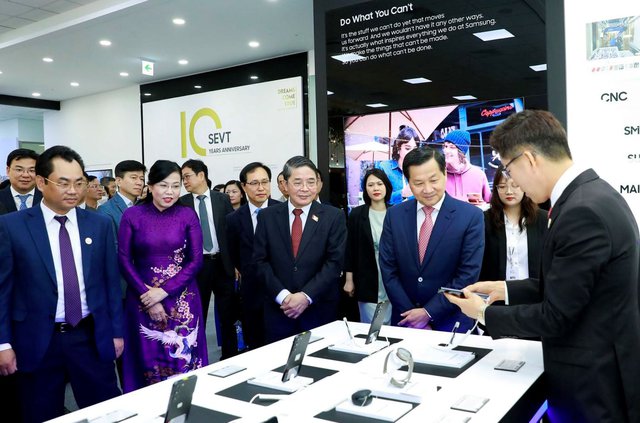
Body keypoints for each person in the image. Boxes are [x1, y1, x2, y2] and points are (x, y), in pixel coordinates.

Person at [445, 110, 640, 422]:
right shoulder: (592, 194)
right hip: (599, 371)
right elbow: (571, 288)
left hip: (594, 385)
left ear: (529, 159)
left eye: (509, 168)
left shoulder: (582, 211)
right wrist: (505, 289)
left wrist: (483, 314)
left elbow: (556, 315)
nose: (512, 181)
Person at [0, 146, 123, 422]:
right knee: (40, 412)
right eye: (64, 183)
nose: (73, 190)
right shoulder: (11, 226)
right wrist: (2, 343)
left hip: (89, 336)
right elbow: (2, 290)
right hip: (38, 340)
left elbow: (110, 284)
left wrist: (116, 331)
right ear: (41, 182)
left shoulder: (99, 224)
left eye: (79, 183)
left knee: (107, 411)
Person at [118, 160, 207, 392]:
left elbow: (196, 260)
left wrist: (163, 291)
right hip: (142, 299)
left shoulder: (187, 215)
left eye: (176, 186)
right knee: (147, 359)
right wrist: (147, 295)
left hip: (182, 298)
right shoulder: (132, 215)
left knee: (184, 356)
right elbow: (124, 259)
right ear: (150, 186)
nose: (170, 192)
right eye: (163, 185)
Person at [379, 147, 484, 332]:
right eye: (418, 183)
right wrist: (412, 315)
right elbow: (389, 269)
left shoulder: (470, 216)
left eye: (433, 180)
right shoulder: (394, 215)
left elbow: (467, 274)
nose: (427, 189)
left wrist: (428, 312)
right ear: (408, 182)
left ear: (444, 173)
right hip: (405, 321)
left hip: (452, 322)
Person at [254, 156, 346, 342]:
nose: (305, 188)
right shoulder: (267, 216)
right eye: (297, 182)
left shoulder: (333, 216)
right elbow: (259, 261)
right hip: (279, 309)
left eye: (311, 182)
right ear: (285, 185)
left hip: (319, 309)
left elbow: (334, 263)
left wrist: (306, 296)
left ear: (318, 184)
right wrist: (284, 296)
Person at [180, 159, 237, 359]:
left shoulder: (221, 199)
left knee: (227, 314)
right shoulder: (182, 203)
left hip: (223, 263)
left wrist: (235, 263)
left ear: (201, 175)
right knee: (198, 314)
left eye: (187, 176)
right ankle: (197, 358)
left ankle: (230, 356)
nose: (184, 181)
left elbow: (231, 232)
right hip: (197, 266)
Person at [226, 162, 280, 350]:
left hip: (281, 289)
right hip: (251, 290)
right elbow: (234, 254)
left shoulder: (283, 211)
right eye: (255, 183)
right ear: (244, 187)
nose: (261, 188)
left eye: (265, 182)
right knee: (256, 342)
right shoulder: (233, 219)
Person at [343, 168, 393, 324]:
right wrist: (349, 280)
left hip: (392, 276)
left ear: (387, 186)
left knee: (392, 325)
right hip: (366, 277)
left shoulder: (396, 213)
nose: (376, 188)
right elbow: (350, 249)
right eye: (371, 185)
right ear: (365, 189)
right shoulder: (357, 214)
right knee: (370, 325)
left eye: (379, 183)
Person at [480, 166, 547, 282]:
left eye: (515, 185)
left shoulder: (543, 219)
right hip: (497, 294)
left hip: (534, 294)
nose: (509, 191)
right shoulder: (485, 220)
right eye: (502, 186)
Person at [98, 160, 146, 245]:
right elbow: (112, 248)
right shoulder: (106, 210)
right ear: (118, 181)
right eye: (134, 178)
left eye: (142, 179)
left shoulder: (144, 206)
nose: (139, 183)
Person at [440, 130, 491, 204]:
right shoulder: (440, 174)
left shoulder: (478, 175)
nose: (446, 151)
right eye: (445, 146)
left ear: (461, 151)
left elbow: (489, 202)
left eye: (452, 147)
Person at [375, 126, 419, 204]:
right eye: (407, 148)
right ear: (398, 148)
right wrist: (402, 194)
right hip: (390, 214)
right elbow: (378, 198)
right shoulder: (384, 167)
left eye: (415, 149)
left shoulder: (419, 169)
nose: (412, 153)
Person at [0, 148, 42, 212]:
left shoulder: (48, 198)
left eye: (32, 170)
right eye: (19, 170)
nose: (26, 175)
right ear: (8, 171)